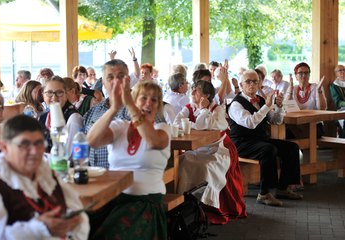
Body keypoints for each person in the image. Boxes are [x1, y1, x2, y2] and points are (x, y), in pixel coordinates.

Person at [87, 79, 170, 239]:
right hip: (113, 199)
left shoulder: (162, 129)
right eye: (143, 98)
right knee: (78, 225)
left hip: (146, 203)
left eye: (154, 100)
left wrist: (130, 105)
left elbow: (153, 141)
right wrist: (114, 108)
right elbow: (92, 141)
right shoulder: (120, 126)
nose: (149, 103)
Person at [0, 115, 89, 239]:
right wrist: (39, 229)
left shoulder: (47, 175)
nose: (34, 151)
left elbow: (77, 214)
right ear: (5, 147)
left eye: (39, 143)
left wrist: (72, 224)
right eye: (24, 144)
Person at [174, 80, 246, 224]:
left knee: (205, 167)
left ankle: (207, 206)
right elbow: (176, 123)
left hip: (219, 148)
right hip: (199, 147)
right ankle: (182, 203)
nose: (192, 92)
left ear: (206, 95)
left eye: (197, 90)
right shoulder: (188, 107)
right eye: (193, 89)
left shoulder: (217, 109)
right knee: (183, 160)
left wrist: (203, 110)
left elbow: (203, 125)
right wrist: (196, 123)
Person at [228, 69, 303, 207]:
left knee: (292, 147)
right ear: (241, 84)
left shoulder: (261, 100)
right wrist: (267, 106)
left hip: (259, 140)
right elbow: (250, 123)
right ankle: (264, 193)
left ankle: (283, 187)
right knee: (268, 150)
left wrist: (279, 107)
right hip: (241, 143)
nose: (252, 84)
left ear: (259, 84)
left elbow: (275, 121)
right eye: (248, 81)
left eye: (255, 81)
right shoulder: (236, 104)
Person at [39, 76, 83, 153]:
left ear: (66, 95)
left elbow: (70, 154)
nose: (54, 97)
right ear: (43, 96)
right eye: (49, 93)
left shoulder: (74, 118)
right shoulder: (43, 117)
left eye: (59, 92)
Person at [286, 62, 327, 138]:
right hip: (296, 124)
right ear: (296, 76)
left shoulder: (316, 87)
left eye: (306, 73)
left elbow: (322, 109)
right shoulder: (292, 88)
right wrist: (290, 90)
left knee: (296, 133)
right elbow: (286, 108)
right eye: (300, 73)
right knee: (285, 133)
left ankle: (304, 147)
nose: (304, 75)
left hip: (314, 125)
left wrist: (319, 91)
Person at [330, 64, 345, 137]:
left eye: (344, 70)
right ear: (336, 74)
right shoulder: (334, 86)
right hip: (341, 110)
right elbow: (337, 102)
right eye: (340, 70)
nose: (343, 72)